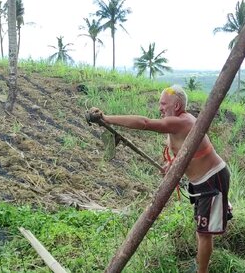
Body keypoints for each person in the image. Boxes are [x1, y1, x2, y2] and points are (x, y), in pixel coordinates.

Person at [87, 84, 231, 273]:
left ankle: (201, 271)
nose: (160, 108)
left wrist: (106, 119)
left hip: (212, 179)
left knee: (204, 234)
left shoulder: (183, 122)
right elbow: (187, 152)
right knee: (201, 228)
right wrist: (171, 166)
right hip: (201, 181)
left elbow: (145, 123)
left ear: (177, 106)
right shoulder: (177, 124)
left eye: (164, 104)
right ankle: (200, 263)